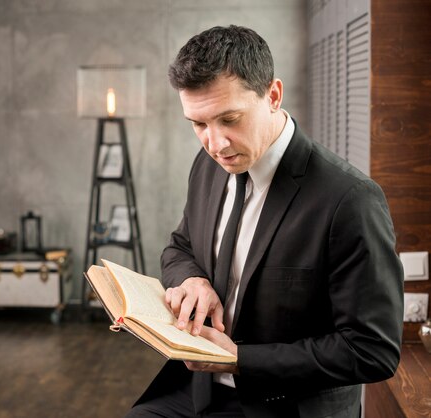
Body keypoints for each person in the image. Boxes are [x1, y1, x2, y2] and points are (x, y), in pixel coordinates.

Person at [126, 25, 403, 418]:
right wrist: (192, 279)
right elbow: (180, 246)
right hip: (199, 392)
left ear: (273, 96)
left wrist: (240, 359)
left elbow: (372, 350)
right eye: (199, 124)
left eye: (230, 119)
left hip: (288, 407)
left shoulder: (350, 200)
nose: (215, 143)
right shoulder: (208, 165)